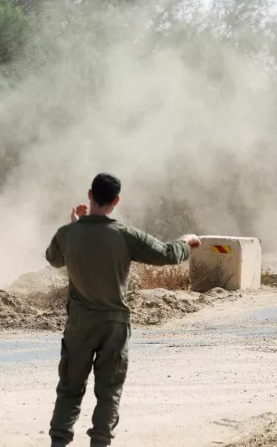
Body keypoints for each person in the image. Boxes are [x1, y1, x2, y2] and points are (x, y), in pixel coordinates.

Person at [44, 173, 201, 447]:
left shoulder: (67, 234)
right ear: (116, 200)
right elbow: (166, 254)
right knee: (108, 392)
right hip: (114, 325)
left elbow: (53, 258)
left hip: (79, 325)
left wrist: (74, 225)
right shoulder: (125, 235)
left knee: (69, 389)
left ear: (90, 195)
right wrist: (186, 242)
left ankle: (59, 442)